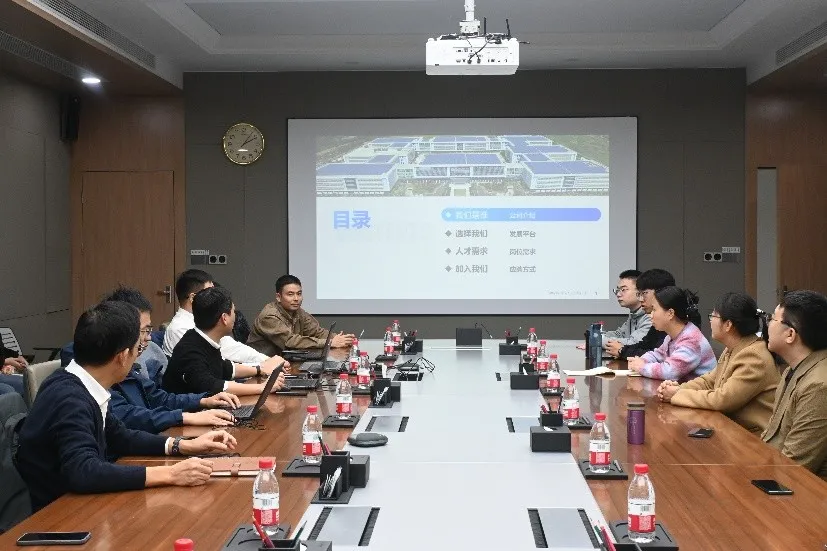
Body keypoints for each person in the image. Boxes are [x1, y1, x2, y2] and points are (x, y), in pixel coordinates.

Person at [15, 300, 238, 512]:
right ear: (122, 356)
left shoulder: (82, 383)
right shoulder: (70, 399)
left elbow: (121, 437)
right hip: (61, 516)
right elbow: (83, 470)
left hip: (83, 503)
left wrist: (184, 445)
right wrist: (170, 474)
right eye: (137, 349)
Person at [99, 286, 240, 433]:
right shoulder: (106, 373)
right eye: (143, 331)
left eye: (148, 330)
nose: (148, 337)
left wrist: (203, 400)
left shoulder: (131, 367)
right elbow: (129, 417)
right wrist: (183, 421)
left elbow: (158, 398)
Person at [656, 292, 779, 434]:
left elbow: (723, 400)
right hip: (730, 429)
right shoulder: (734, 347)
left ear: (728, 325)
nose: (710, 321)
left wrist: (677, 395)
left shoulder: (754, 356)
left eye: (713, 316)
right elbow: (709, 381)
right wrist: (676, 388)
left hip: (751, 437)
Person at [162, 286, 286, 396]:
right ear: (224, 318)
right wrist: (263, 387)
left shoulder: (201, 338)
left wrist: (260, 369)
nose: (235, 316)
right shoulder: (190, 350)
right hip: (189, 412)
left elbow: (224, 367)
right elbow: (213, 386)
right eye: (233, 311)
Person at [762, 290, 827, 479]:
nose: (768, 325)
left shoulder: (819, 386)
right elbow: (772, 436)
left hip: (806, 491)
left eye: (772, 319)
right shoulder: (793, 369)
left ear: (790, 334)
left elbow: (794, 466)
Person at [162, 269, 274, 365]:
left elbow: (232, 348)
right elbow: (216, 366)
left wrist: (266, 361)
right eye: (210, 291)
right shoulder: (180, 328)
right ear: (193, 298)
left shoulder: (205, 320)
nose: (215, 295)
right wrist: (261, 367)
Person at [247, 274, 355, 356]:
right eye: (290, 294)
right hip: (261, 366)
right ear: (278, 297)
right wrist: (330, 342)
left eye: (299, 294)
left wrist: (340, 339)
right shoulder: (269, 316)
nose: (296, 298)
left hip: (284, 361)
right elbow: (290, 341)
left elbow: (316, 332)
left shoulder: (298, 312)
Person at [627, 286, 715, 381]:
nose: (650, 315)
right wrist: (642, 360)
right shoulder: (672, 336)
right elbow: (657, 355)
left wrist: (641, 367)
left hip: (699, 390)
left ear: (670, 313)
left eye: (654, 310)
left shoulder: (691, 340)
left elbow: (670, 372)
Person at [609, 268, 676, 359]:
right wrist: (623, 350)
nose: (641, 299)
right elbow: (644, 345)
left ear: (661, 292)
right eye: (639, 294)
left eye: (644, 293)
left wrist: (622, 350)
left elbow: (660, 357)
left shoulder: (678, 323)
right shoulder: (658, 320)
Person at [602, 269, 652, 349]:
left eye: (623, 290)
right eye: (617, 290)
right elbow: (619, 334)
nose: (618, 294)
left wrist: (598, 341)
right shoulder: (634, 314)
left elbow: (633, 343)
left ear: (640, 291)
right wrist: (597, 336)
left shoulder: (650, 316)